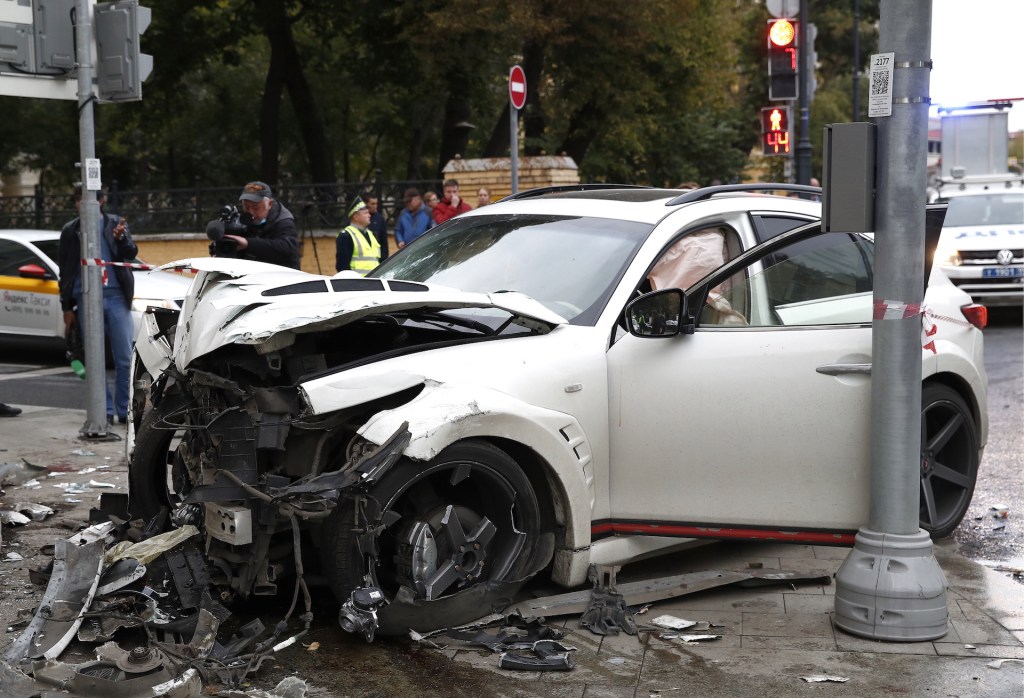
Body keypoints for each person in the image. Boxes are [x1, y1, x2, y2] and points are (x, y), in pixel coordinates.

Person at [58, 188, 137, 425]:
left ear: (101, 202)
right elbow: (66, 270)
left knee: (124, 357)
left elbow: (130, 254)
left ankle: (124, 410)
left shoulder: (115, 224)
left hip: (116, 297)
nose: (84, 204)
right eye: (80, 200)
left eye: (90, 199)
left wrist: (121, 238)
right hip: (86, 297)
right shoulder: (71, 230)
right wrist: (67, 307)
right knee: (94, 358)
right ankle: (103, 409)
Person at [210, 181, 301, 269]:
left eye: (256, 207)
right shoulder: (243, 220)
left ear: (269, 204)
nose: (251, 212)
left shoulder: (283, 221)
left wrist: (248, 243)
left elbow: (288, 248)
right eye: (246, 207)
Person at [336, 198, 381, 275]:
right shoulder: (346, 235)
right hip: (357, 284)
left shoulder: (371, 234)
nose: (369, 215)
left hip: (374, 282)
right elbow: (342, 266)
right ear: (356, 217)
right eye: (366, 213)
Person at [365, 194, 389, 261]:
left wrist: (384, 260)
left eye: (376, 204)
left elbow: (384, 242)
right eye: (372, 204)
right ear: (366, 204)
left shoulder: (380, 219)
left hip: (376, 258)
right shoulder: (361, 219)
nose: (375, 206)